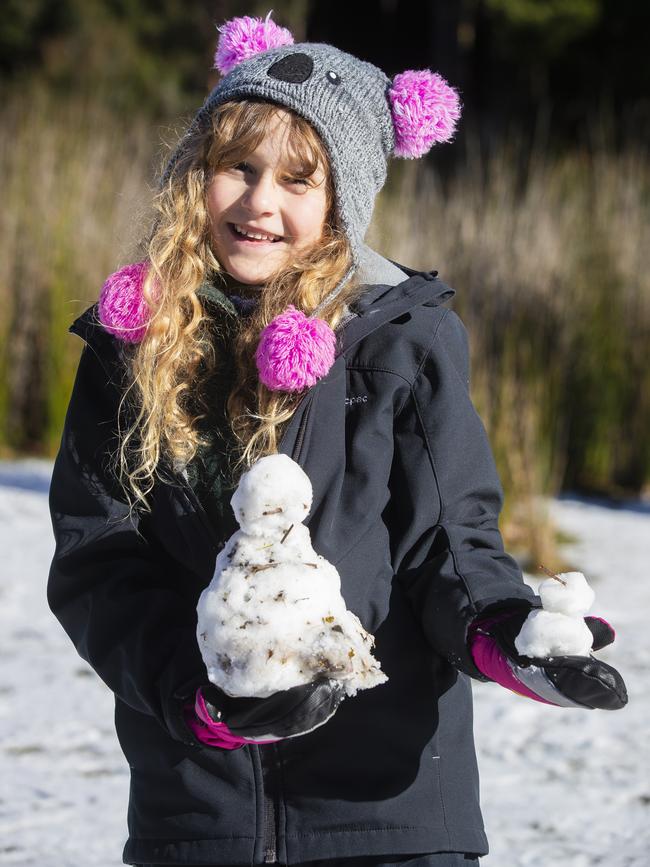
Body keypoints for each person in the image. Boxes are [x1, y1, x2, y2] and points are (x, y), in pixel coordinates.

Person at [47, 12, 627, 867]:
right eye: (238, 168)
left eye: (297, 180)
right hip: (199, 813)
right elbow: (98, 558)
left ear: (343, 199)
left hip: (387, 813)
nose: (259, 202)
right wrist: (195, 694)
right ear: (197, 172)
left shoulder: (402, 341)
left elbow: (450, 545)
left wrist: (506, 638)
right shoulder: (135, 344)